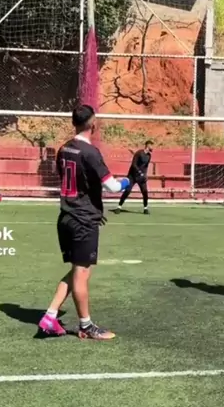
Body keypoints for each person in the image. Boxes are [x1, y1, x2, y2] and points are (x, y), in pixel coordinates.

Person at [38, 104, 131, 340]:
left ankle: (50, 316)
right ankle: (86, 326)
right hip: (83, 220)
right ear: (93, 124)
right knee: (82, 274)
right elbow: (112, 186)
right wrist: (127, 182)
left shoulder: (64, 149)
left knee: (75, 271)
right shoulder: (90, 152)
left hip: (66, 217)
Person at [115, 140, 153, 215]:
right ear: (148, 145)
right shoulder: (139, 153)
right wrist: (140, 172)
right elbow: (133, 165)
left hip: (141, 177)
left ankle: (145, 208)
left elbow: (146, 166)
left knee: (145, 192)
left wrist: (145, 175)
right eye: (151, 146)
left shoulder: (149, 156)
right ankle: (119, 207)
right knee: (127, 191)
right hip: (132, 176)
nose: (153, 148)